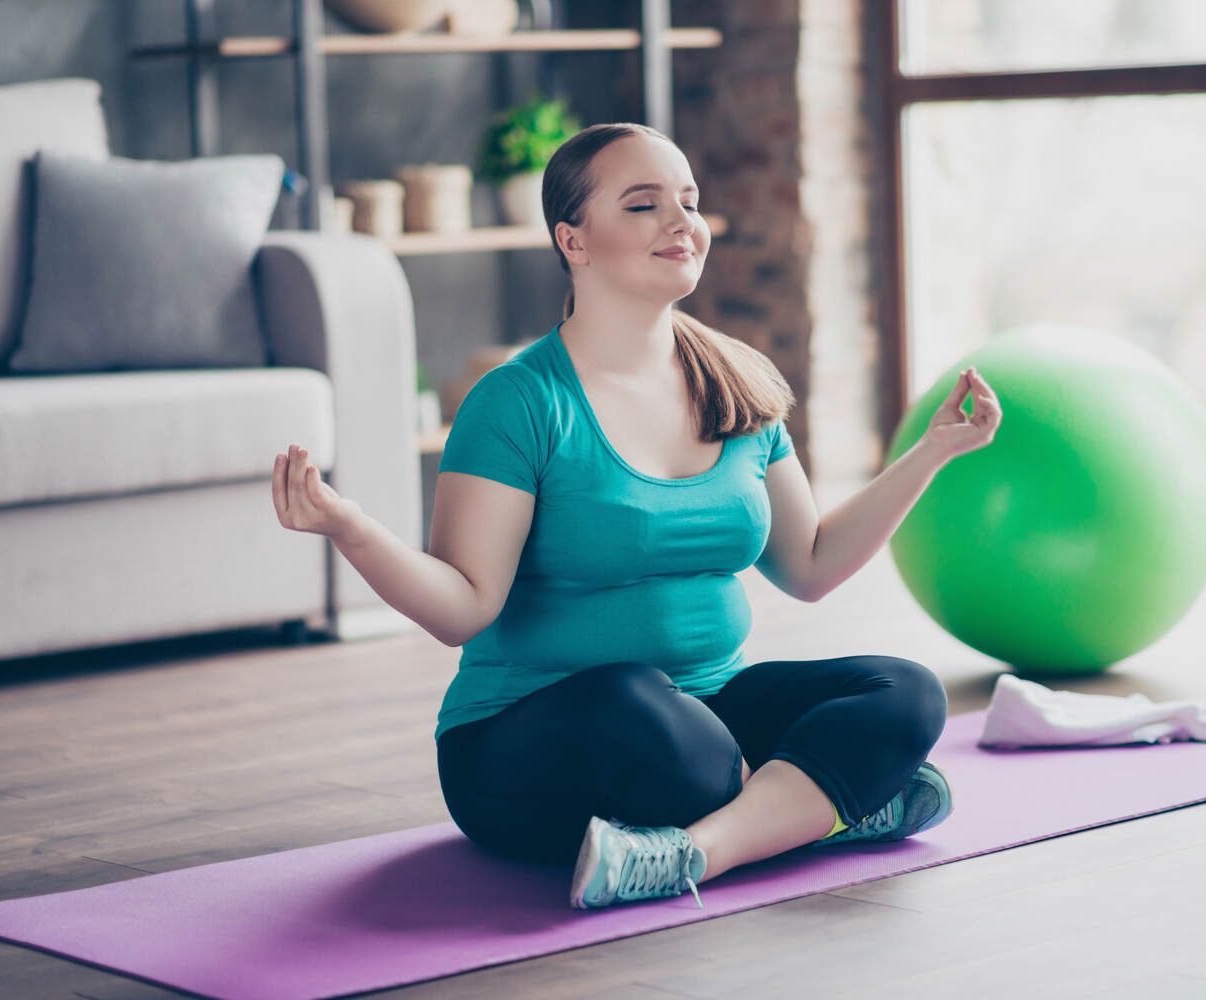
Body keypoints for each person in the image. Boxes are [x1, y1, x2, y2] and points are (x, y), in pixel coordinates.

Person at [271, 122, 1003, 911]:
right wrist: (351, 527)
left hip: (708, 713)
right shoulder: (519, 402)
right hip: (532, 744)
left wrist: (931, 453)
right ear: (573, 241)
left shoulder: (739, 381)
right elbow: (462, 608)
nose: (680, 222)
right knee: (641, 710)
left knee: (905, 692)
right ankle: (827, 806)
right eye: (644, 204)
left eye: (688, 202)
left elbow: (813, 566)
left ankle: (694, 852)